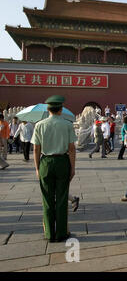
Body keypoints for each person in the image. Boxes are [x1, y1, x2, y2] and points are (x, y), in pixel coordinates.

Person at [31, 95, 77, 243]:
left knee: (47, 199)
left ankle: (50, 234)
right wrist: (72, 167)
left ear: (48, 109)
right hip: (62, 161)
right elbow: (71, 149)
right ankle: (62, 233)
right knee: (62, 198)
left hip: (45, 162)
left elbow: (36, 149)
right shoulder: (67, 124)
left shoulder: (39, 125)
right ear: (61, 109)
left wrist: (38, 168)